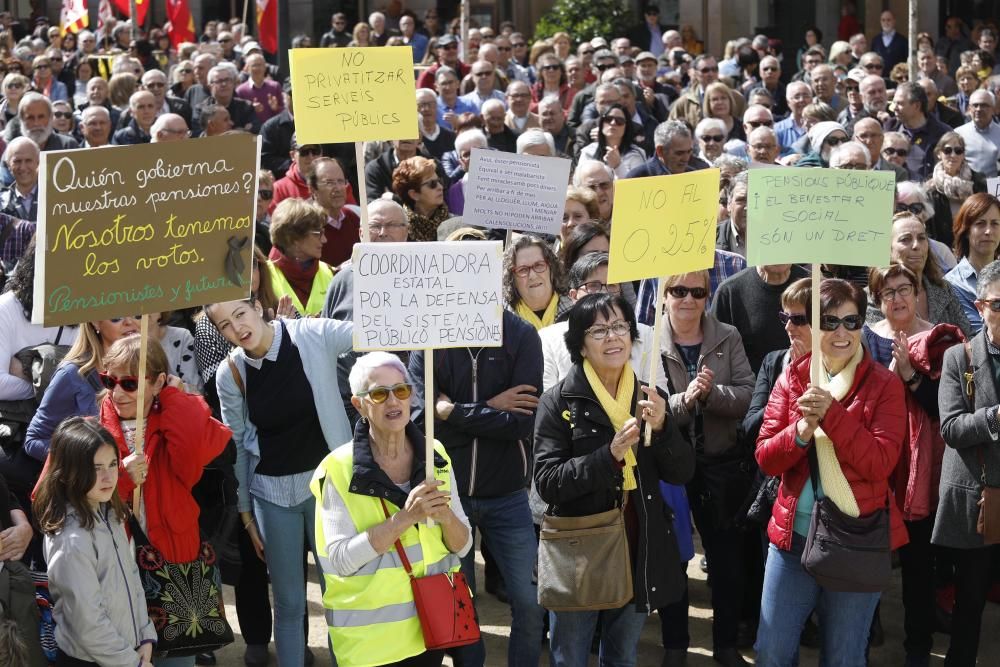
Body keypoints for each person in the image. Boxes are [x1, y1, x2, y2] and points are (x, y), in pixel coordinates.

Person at [534, 291, 694, 666]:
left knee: (622, 654)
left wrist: (666, 427)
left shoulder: (647, 397)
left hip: (639, 539)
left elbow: (681, 471)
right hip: (580, 545)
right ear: (580, 346)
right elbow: (548, 482)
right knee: (571, 654)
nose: (613, 338)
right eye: (599, 331)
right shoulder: (559, 402)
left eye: (620, 327)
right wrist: (609, 456)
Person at [754, 278, 907, 665]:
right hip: (792, 540)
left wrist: (832, 415)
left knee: (844, 656)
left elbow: (880, 463)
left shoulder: (885, 385)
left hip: (855, 540)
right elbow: (766, 457)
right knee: (771, 652)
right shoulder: (795, 375)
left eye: (852, 322)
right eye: (831, 322)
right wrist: (802, 431)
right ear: (814, 327)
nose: (842, 332)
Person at [210, 295, 353, 667]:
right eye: (225, 324)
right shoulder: (231, 373)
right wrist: (245, 515)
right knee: (289, 604)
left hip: (327, 491)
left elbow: (373, 333)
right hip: (271, 495)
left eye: (240, 314)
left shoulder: (311, 334)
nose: (237, 327)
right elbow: (237, 446)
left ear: (258, 307)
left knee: (339, 594)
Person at [313, 352, 472, 667]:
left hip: (431, 630)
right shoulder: (338, 468)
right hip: (370, 644)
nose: (393, 401)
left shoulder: (435, 455)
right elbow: (342, 561)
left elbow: (464, 545)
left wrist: (445, 517)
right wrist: (405, 518)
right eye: (378, 394)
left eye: (401, 390)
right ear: (359, 405)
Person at [98, 335, 230, 667]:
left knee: (176, 658)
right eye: (108, 381)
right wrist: (122, 477)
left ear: (157, 381)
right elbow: (74, 499)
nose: (117, 392)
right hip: (118, 564)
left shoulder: (176, 415)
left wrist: (172, 395)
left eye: (129, 383)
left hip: (174, 557)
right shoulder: (93, 429)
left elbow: (188, 465)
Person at [658, 271, 755, 666]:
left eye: (697, 291)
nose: (687, 299)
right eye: (678, 291)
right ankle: (675, 646)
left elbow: (748, 395)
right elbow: (651, 404)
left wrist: (712, 394)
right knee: (673, 560)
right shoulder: (649, 342)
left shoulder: (726, 335)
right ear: (664, 296)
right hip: (670, 466)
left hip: (720, 465)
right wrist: (684, 401)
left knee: (726, 561)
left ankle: (726, 645)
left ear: (708, 296)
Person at [35, 417, 157, 667]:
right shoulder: (70, 539)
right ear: (69, 471)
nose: (108, 477)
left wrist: (145, 635)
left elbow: (132, 577)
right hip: (91, 659)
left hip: (126, 651)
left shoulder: (109, 513)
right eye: (94, 468)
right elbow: (86, 622)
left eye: (113, 464)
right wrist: (132, 662)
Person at [934, 259, 1000, 665]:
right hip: (980, 500)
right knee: (971, 601)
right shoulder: (959, 359)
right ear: (980, 308)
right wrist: (995, 417)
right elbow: (952, 429)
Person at [867, 212, 973, 338]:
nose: (916, 245)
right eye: (905, 239)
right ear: (888, 248)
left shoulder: (944, 288)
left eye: (922, 238)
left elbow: (968, 336)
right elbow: (878, 345)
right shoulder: (872, 296)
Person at [266, 198, 336, 317]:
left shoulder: (330, 272)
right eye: (318, 234)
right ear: (294, 239)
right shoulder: (262, 275)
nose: (324, 240)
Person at [945, 193, 1000, 333]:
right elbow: (977, 333)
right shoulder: (951, 284)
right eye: (980, 224)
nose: (988, 231)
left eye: (995, 223)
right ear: (966, 230)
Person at [925, 132, 987, 249]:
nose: (953, 155)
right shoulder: (930, 188)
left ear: (963, 154)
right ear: (939, 153)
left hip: (975, 245)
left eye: (958, 151)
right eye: (947, 150)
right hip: (943, 249)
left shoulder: (979, 183)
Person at [504, 234, 574, 330]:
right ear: (511, 278)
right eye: (522, 270)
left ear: (552, 268)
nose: (533, 276)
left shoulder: (576, 309)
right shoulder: (500, 320)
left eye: (539, 265)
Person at [579, 102, 646, 178]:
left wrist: (618, 166)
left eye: (619, 121)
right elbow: (579, 181)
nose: (613, 123)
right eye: (608, 119)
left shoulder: (635, 154)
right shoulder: (588, 152)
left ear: (626, 127)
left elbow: (637, 187)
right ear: (601, 123)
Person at [391, 156, 449, 242]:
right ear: (414, 194)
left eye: (439, 181)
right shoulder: (398, 230)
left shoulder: (454, 225)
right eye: (432, 184)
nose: (440, 187)